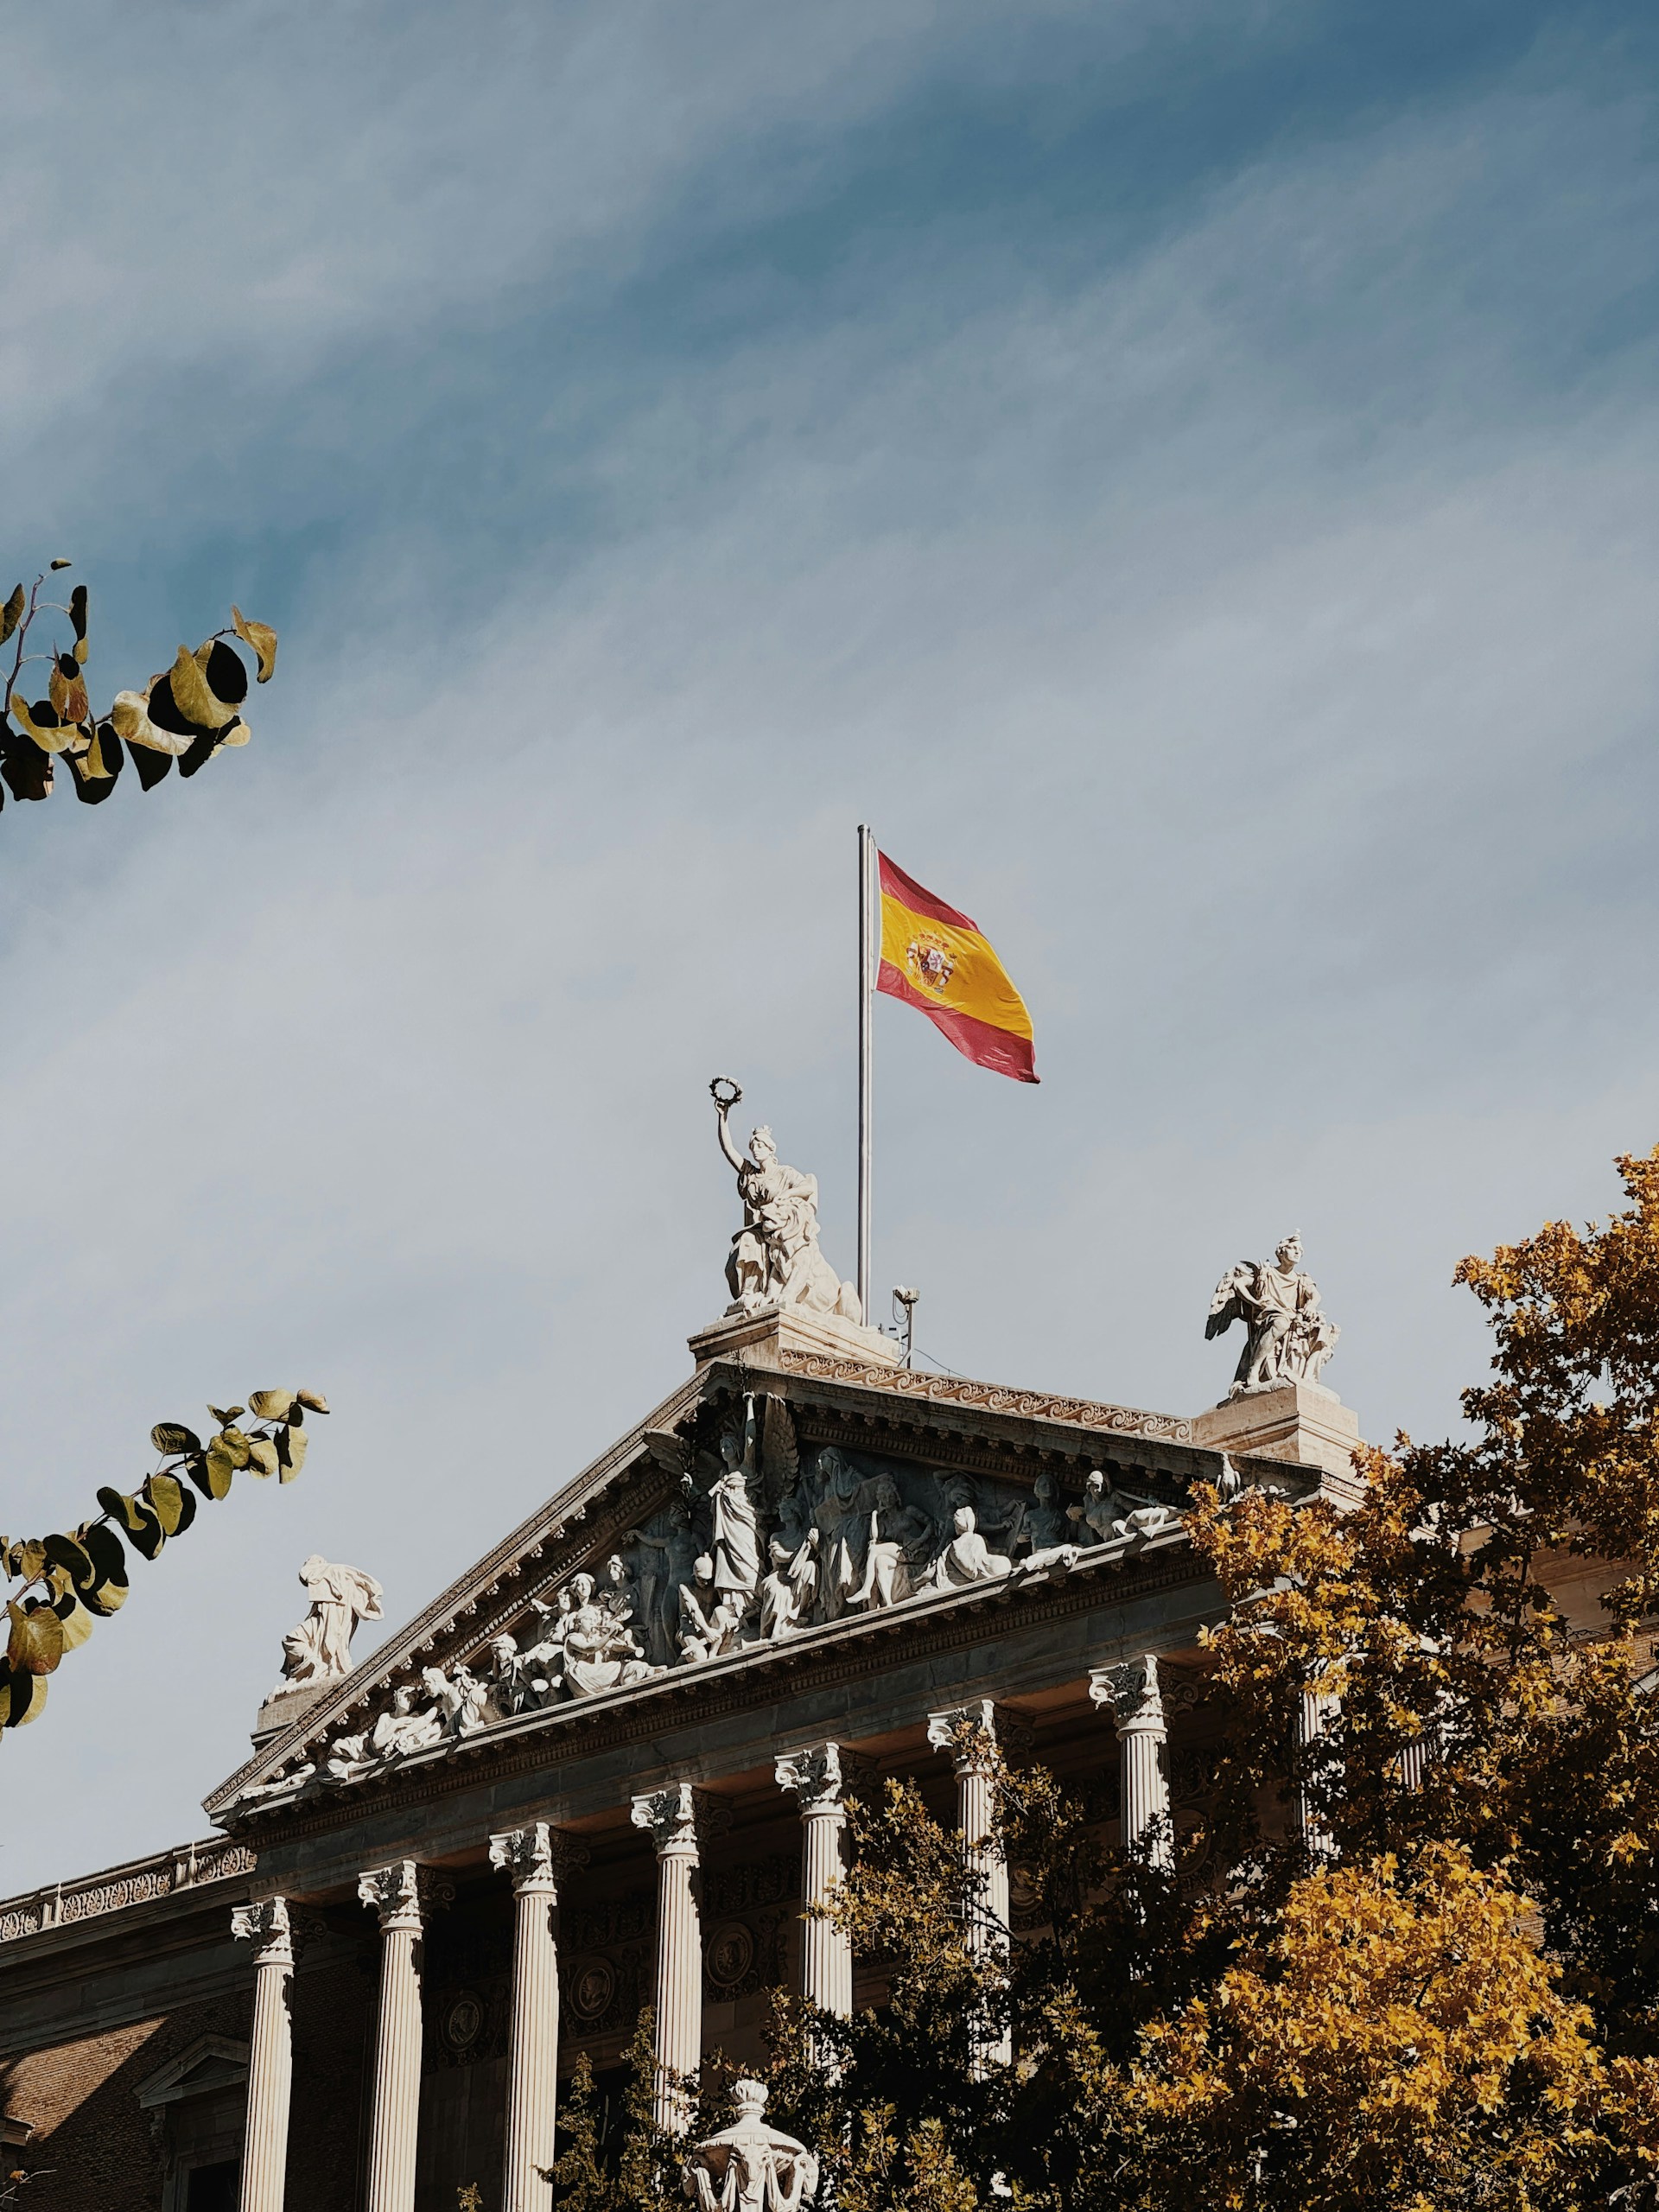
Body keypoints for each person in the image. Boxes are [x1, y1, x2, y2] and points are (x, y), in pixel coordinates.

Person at [918, 1507, 1012, 1593]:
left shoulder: (954, 1545)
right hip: (987, 1568)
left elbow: (932, 1572)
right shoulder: (977, 1538)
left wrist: (915, 1583)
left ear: (957, 1526)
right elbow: (984, 1556)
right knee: (1004, 1562)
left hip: (976, 1575)